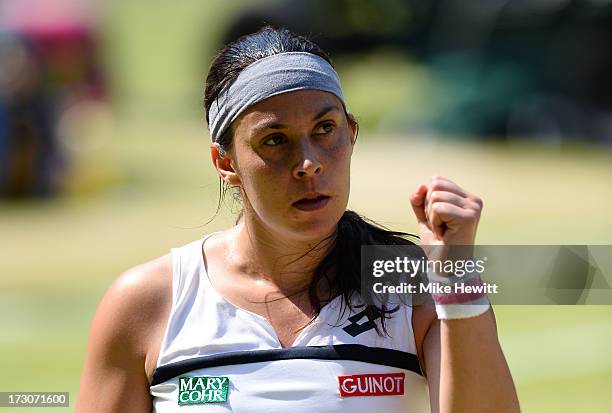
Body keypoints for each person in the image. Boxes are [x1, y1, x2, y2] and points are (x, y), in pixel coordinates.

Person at [77, 26, 520, 412]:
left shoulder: (414, 289)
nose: (307, 163)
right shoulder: (146, 303)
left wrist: (456, 279)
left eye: (325, 129)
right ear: (225, 161)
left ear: (351, 134)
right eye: (274, 140)